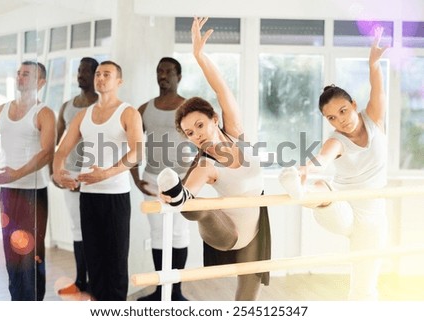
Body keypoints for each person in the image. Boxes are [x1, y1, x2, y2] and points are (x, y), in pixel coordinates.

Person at [156, 17, 271, 301]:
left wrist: (199, 55)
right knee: (196, 204)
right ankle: (178, 197)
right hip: (225, 232)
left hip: (255, 228)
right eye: (189, 133)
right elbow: (191, 186)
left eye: (199, 126)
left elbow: (222, 90)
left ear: (215, 119)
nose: (195, 134)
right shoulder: (205, 165)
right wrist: (174, 196)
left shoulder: (236, 133)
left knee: (247, 299)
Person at [278, 27, 389, 300]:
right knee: (323, 188)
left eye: (343, 111)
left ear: (353, 104)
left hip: (373, 217)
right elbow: (321, 159)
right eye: (331, 118)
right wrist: (304, 168)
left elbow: (377, 88)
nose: (341, 121)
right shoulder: (337, 140)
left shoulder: (374, 118)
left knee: (364, 287)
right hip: (344, 208)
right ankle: (300, 190)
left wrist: (373, 63)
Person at [52, 60, 143, 301]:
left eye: (107, 74)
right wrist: (57, 170)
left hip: (115, 197)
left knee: (115, 262)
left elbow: (136, 153)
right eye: (98, 74)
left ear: (118, 81)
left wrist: (107, 173)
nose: (100, 78)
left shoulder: (128, 112)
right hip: (88, 197)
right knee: (94, 261)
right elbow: (62, 150)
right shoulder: (83, 115)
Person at [0, 61, 55, 301]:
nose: (20, 77)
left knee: (31, 254)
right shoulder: (1, 110)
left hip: (33, 193)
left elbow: (47, 153)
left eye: (27, 74)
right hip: (7, 192)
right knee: (11, 253)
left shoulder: (44, 113)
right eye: (19, 73)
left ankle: (32, 305)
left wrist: (16, 174)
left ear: (40, 82)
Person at [130, 57, 192, 301]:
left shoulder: (188, 107)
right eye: (159, 71)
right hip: (151, 179)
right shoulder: (144, 109)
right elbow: (132, 145)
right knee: (157, 234)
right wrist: (135, 178)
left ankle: (175, 292)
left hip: (182, 180)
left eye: (168, 71)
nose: (163, 75)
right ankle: (160, 290)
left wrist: (192, 177)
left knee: (179, 233)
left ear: (179, 76)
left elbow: (202, 144)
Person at [54, 57, 99, 295]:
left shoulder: (102, 106)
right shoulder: (67, 106)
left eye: (85, 71)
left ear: (96, 75)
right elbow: (57, 143)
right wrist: (57, 173)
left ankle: (97, 281)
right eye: (79, 71)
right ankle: (81, 280)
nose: (80, 75)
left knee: (95, 230)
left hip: (95, 175)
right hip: (71, 174)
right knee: (77, 229)